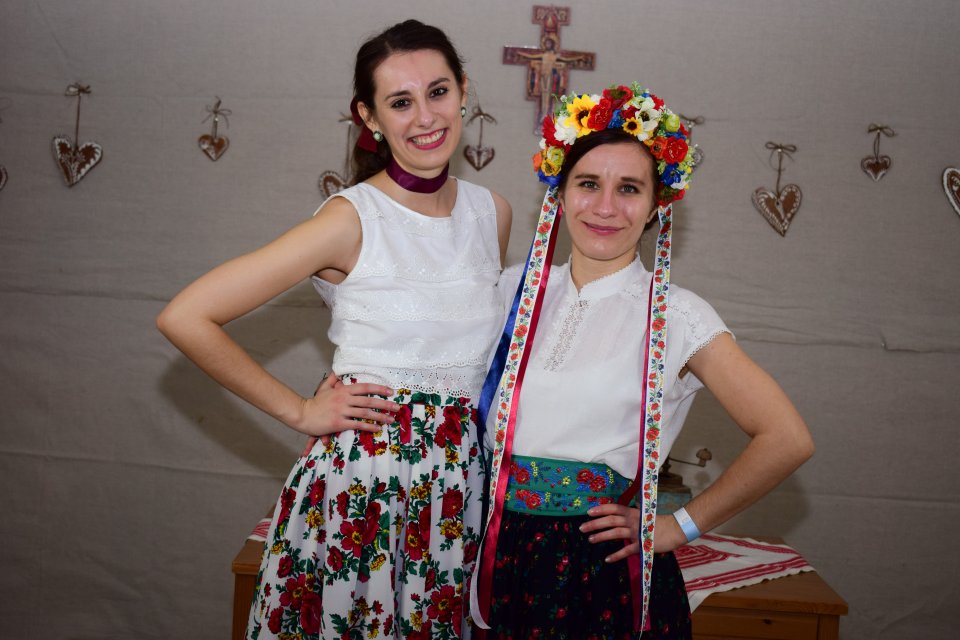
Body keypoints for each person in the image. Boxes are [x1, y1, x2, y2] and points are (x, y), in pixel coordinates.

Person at [156, 19, 512, 639]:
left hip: (461, 487)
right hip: (368, 485)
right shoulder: (350, 219)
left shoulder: (493, 212)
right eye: (400, 102)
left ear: (463, 91)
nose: (425, 116)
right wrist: (299, 411)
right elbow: (185, 316)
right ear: (369, 117)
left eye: (437, 91)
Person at [470, 82, 814, 639]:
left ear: (657, 204)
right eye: (588, 183)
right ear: (559, 191)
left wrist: (676, 528)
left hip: (601, 570)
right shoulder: (512, 290)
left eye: (628, 188)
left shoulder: (677, 315)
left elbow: (787, 438)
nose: (605, 206)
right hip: (497, 555)